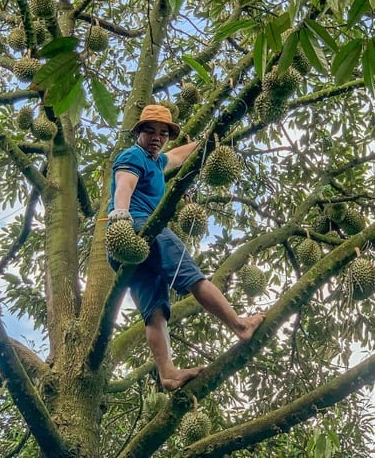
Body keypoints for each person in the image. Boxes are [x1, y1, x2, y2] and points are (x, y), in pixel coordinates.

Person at [107, 104, 265, 390]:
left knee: (155, 311)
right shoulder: (133, 156)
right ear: (139, 132)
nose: (157, 137)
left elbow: (180, 155)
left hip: (128, 251)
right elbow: (124, 185)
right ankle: (240, 326)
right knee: (193, 276)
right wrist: (120, 216)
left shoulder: (156, 161)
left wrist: (212, 136)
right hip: (140, 228)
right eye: (150, 131)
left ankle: (167, 374)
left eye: (163, 133)